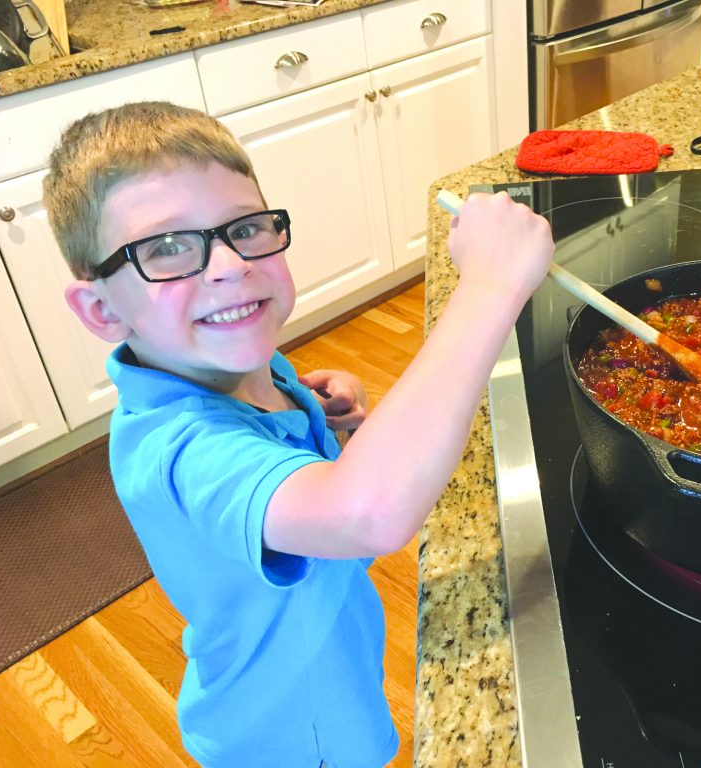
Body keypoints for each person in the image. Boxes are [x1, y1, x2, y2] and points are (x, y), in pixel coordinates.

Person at [43, 100, 555, 768]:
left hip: (317, 684)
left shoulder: (241, 366)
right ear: (101, 308)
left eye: (245, 227)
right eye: (164, 248)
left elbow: (316, 489)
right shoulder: (177, 449)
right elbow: (365, 514)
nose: (228, 264)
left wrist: (319, 424)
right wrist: (488, 288)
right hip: (294, 738)